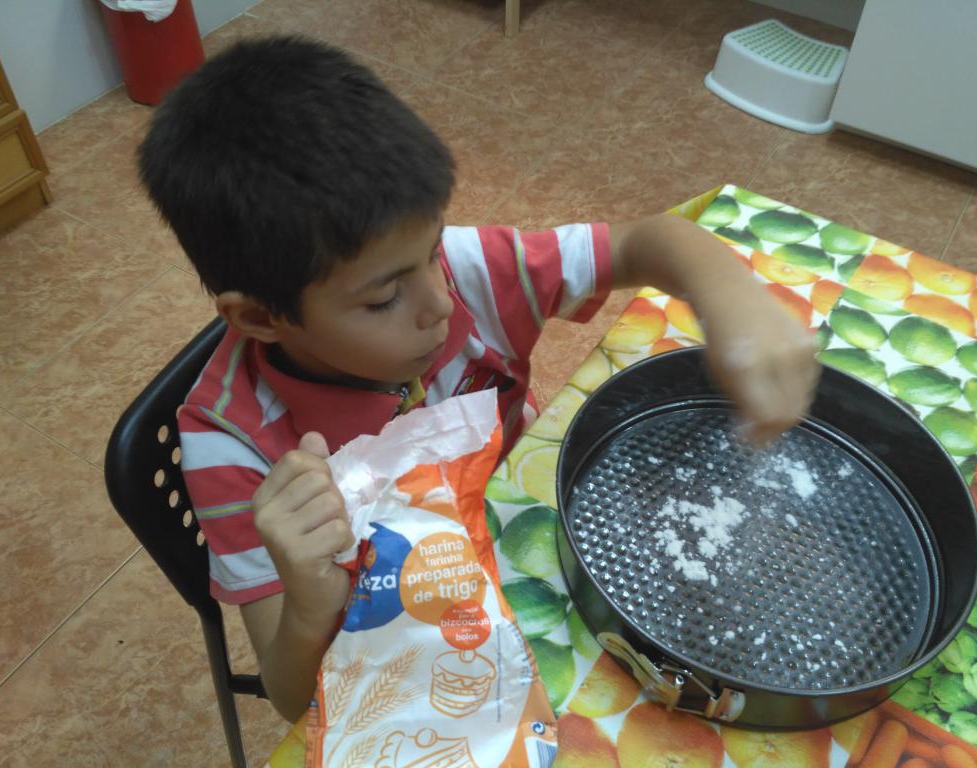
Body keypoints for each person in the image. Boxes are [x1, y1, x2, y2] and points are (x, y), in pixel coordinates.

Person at [139, 36, 819, 722]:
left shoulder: (469, 271)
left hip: (533, 536)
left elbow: (644, 243)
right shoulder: (230, 445)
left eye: (432, 251)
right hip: (421, 652)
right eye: (384, 299)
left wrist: (733, 300)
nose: (440, 304)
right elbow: (293, 701)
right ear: (259, 317)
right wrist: (311, 600)